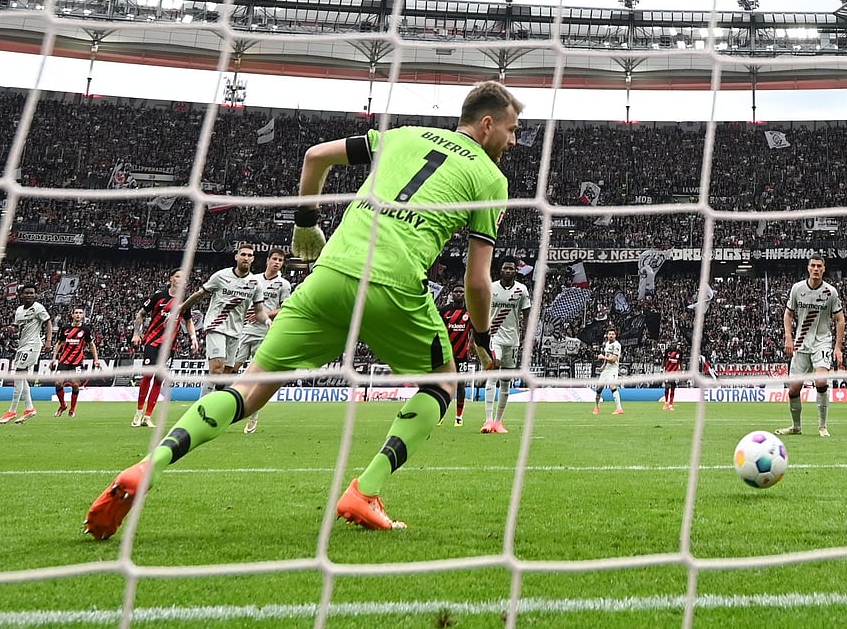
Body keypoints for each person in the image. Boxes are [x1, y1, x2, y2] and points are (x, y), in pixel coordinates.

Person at [84, 80, 520, 539]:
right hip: (393, 284)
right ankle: (365, 490)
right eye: (511, 130)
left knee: (249, 388)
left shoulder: (403, 135)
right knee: (442, 383)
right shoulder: (491, 180)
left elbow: (315, 156)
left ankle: (150, 463)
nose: (512, 141)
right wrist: (482, 336)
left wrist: (306, 224)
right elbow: (477, 279)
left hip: (328, 276)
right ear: (486, 123)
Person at [174, 245, 266, 395]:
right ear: (236, 257)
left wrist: (268, 321)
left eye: (250, 255)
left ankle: (214, 402)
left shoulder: (255, 284)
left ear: (253, 259)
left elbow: (259, 311)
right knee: (217, 368)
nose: (246, 258)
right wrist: (181, 308)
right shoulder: (221, 276)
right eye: (243, 254)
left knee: (225, 374)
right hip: (216, 327)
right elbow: (200, 294)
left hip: (236, 331)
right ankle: (201, 406)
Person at [777, 254, 845, 437]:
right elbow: (788, 314)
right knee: (793, 389)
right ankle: (796, 427)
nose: (816, 269)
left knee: (821, 381)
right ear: (808, 268)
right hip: (800, 342)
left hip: (822, 341)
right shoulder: (797, 289)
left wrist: (837, 347)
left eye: (819, 266)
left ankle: (822, 426)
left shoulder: (831, 292)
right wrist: (788, 337)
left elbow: (840, 319)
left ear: (824, 269)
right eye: (813, 266)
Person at [131, 269, 199, 428]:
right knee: (148, 375)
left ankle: (148, 416)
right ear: (171, 279)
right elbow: (140, 314)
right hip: (152, 342)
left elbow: (188, 321)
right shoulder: (158, 297)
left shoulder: (184, 302)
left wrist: (193, 338)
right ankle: (138, 412)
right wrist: (136, 333)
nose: (180, 279)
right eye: (177, 276)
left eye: (184, 278)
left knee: (159, 379)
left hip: (170, 346)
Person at [237, 249, 292, 434]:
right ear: (267, 260)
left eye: (280, 260)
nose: (277, 262)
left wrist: (264, 315)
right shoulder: (254, 280)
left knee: (256, 376)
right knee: (232, 369)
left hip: (265, 332)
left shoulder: (283, 284)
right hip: (244, 330)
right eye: (274, 259)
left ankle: (253, 417)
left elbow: (285, 309)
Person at [482, 260, 529, 433]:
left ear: (516, 271)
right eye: (505, 268)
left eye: (511, 268)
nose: (508, 270)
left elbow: (526, 314)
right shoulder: (491, 287)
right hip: (494, 337)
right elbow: (482, 309)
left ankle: (498, 422)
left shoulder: (521, 290)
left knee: (506, 381)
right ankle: (487, 421)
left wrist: (527, 335)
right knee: (493, 373)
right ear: (500, 270)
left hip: (513, 339)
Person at [0, 284, 53, 424]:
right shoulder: (19, 311)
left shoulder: (38, 308)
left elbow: (48, 323)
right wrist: (12, 329)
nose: (29, 295)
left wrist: (48, 341)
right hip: (22, 346)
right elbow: (17, 327)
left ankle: (12, 410)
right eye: (26, 293)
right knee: (21, 378)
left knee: (19, 374)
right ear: (21, 295)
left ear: (35, 295)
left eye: (31, 293)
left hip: (33, 345)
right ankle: (29, 408)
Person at [49, 308, 100, 418]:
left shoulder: (85, 330)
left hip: (77, 362)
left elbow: (91, 344)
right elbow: (59, 343)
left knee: (75, 384)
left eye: (80, 313)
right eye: (76, 313)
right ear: (72, 315)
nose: (78, 315)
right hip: (64, 361)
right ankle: (63, 405)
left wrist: (96, 359)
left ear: (83, 316)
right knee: (58, 383)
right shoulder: (65, 328)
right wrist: (54, 358)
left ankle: (72, 409)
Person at [439, 284, 473, 427]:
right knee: (443, 385)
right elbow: (438, 329)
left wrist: (471, 346)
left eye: (461, 291)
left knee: (460, 385)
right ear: (452, 294)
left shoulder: (469, 312)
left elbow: (475, 330)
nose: (458, 294)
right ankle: (440, 415)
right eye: (456, 291)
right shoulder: (445, 311)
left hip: (462, 355)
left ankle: (459, 417)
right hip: (447, 355)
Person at [592, 328, 624, 415]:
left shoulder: (617, 345)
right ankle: (597, 407)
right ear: (607, 335)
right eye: (609, 334)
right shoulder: (607, 344)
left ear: (615, 335)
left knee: (612, 387)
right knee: (599, 388)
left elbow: (613, 359)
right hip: (606, 369)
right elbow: (607, 357)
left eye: (612, 334)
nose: (611, 335)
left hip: (613, 369)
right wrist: (603, 366)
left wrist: (603, 357)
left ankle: (619, 409)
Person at [661, 340, 683, 411]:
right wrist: (662, 368)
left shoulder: (679, 352)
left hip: (675, 373)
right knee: (667, 387)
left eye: (675, 343)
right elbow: (664, 359)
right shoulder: (668, 351)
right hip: (668, 372)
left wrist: (681, 370)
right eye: (673, 343)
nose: (674, 345)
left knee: (673, 388)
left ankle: (671, 404)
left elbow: (680, 361)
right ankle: (666, 403)